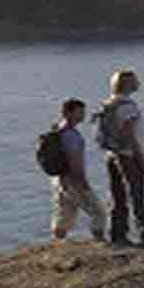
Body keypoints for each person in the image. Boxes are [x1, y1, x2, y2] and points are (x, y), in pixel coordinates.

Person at [97, 69, 144, 247]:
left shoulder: (108, 103)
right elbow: (129, 135)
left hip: (112, 155)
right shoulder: (127, 106)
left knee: (117, 196)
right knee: (136, 195)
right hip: (128, 156)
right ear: (127, 84)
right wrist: (142, 160)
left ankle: (118, 235)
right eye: (134, 80)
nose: (138, 82)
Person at [47, 98, 105, 242]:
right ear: (67, 113)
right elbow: (75, 162)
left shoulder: (57, 130)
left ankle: (56, 242)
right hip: (73, 181)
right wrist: (83, 183)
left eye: (83, 112)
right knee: (99, 213)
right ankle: (100, 243)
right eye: (79, 113)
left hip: (59, 180)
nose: (82, 116)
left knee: (65, 213)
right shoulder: (71, 136)